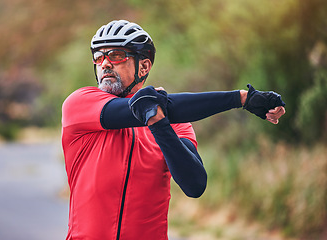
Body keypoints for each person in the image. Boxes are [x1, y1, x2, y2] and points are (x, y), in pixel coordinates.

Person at [61, 20, 286, 240]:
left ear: (144, 66)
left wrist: (159, 125)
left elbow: (195, 185)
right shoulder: (80, 105)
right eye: (99, 57)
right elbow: (139, 107)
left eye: (117, 55)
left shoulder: (177, 124)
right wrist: (241, 98)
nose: (105, 64)